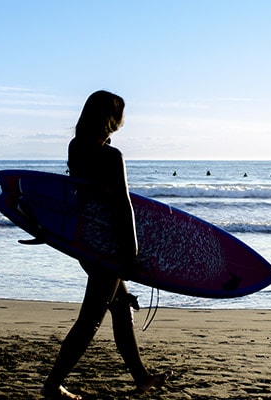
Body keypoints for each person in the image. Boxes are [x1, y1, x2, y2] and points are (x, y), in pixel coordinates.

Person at [40, 90, 172, 399]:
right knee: (90, 318)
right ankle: (52, 383)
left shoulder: (76, 148)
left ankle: (141, 377)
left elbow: (84, 196)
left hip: (87, 242)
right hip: (110, 246)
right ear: (111, 118)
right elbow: (122, 205)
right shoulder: (112, 156)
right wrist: (132, 252)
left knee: (121, 305)